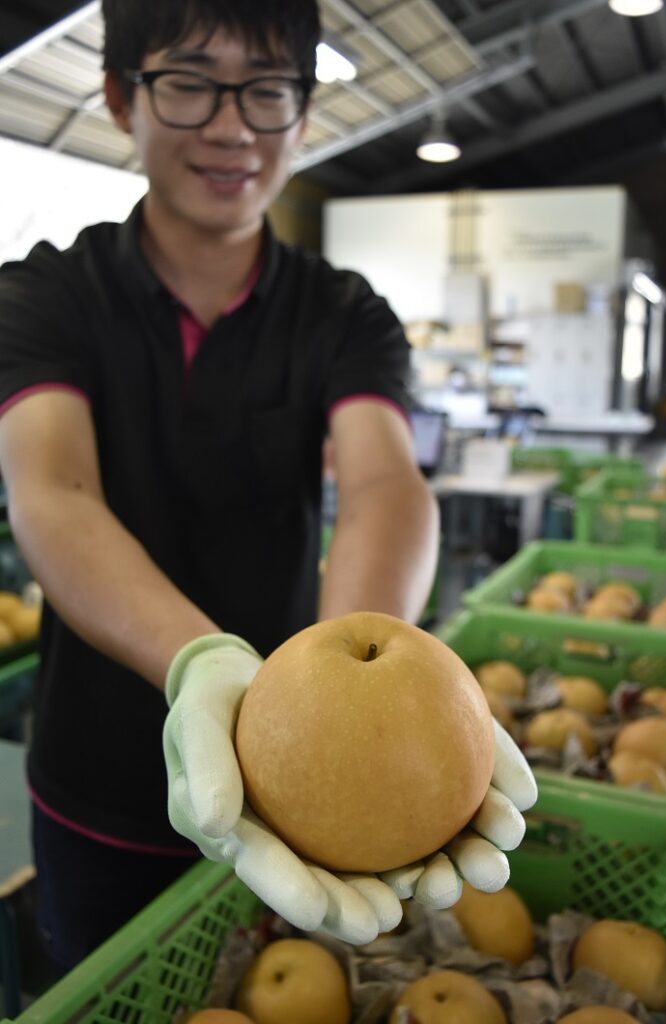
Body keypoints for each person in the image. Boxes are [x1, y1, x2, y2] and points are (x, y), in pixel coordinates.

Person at [0, 0, 536, 974]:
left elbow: (380, 482)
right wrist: (200, 660)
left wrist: (360, 693)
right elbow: (52, 493)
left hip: (310, 794)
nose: (233, 125)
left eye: (266, 89)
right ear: (123, 96)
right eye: (190, 80)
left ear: (302, 110)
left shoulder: (343, 314)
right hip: (99, 779)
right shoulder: (44, 295)